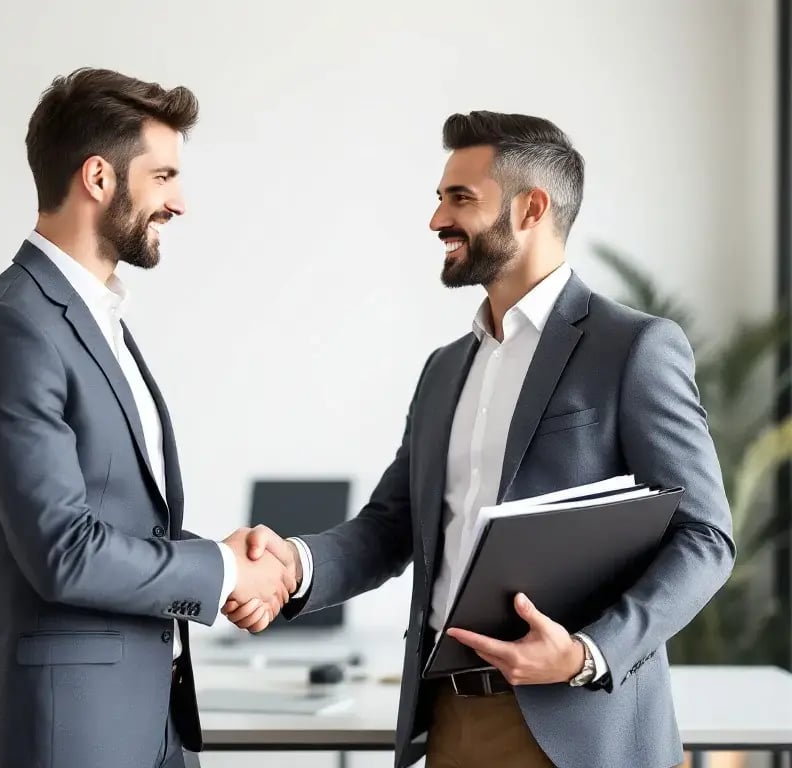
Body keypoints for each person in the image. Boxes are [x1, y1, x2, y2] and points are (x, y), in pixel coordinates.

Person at [225, 111, 736, 768]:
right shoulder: (445, 369)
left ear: (531, 208)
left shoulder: (632, 349)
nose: (437, 220)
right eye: (439, 198)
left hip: (577, 728)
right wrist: (294, 565)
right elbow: (391, 527)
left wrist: (588, 654)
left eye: (459, 198)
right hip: (449, 718)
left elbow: (706, 538)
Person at [0, 67, 294, 768]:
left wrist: (224, 564)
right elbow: (63, 552)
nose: (180, 202)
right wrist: (222, 572)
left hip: (154, 725)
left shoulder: (97, 320)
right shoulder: (11, 329)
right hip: (67, 732)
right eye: (163, 177)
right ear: (99, 178)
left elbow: (120, 521)